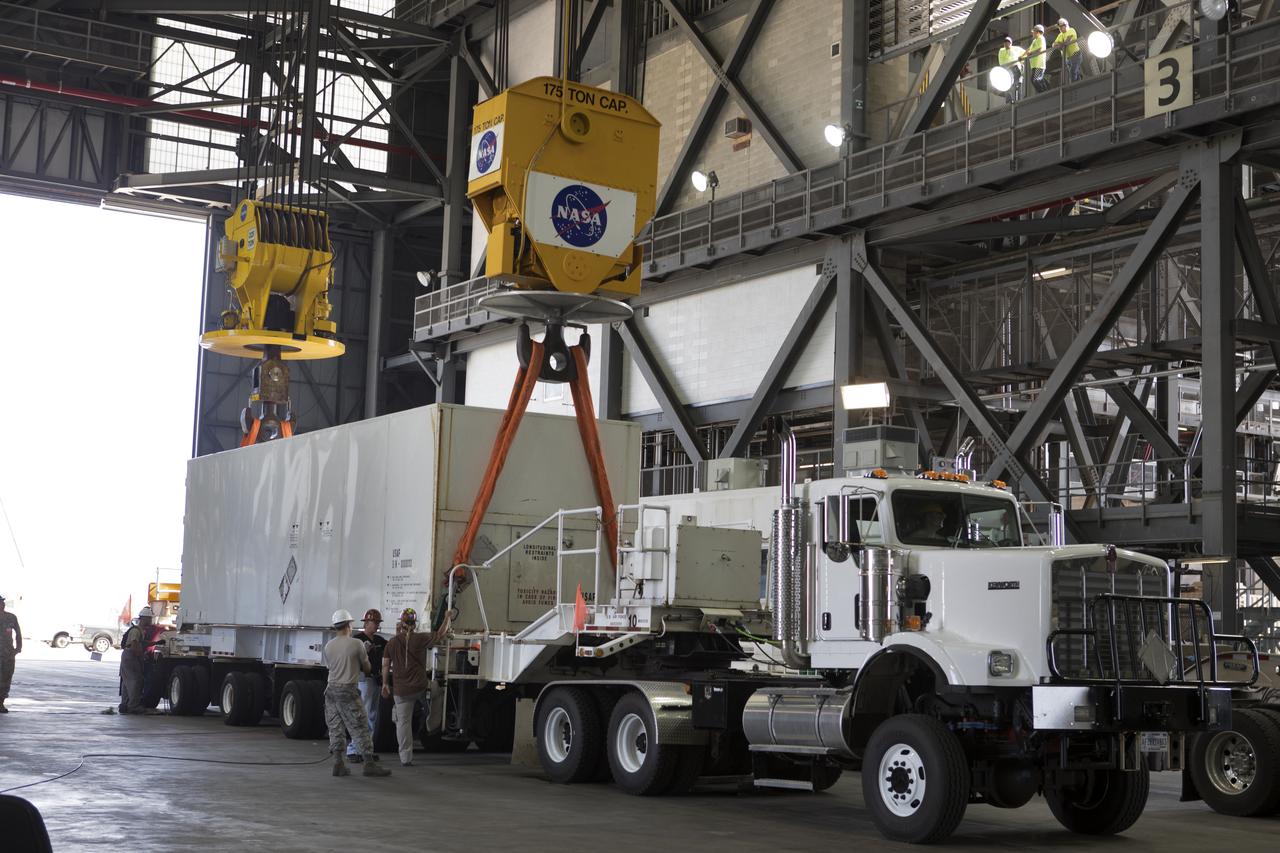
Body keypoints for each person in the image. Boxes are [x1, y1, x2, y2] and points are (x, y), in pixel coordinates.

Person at [324, 608, 391, 778]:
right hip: (348, 689)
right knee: (360, 724)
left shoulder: (328, 646)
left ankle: (338, 763)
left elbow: (329, 667)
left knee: (336, 727)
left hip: (331, 690)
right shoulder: (356, 644)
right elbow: (367, 668)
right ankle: (369, 763)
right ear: (348, 624)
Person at [381, 607, 449, 766]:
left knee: (403, 723)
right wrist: (447, 617)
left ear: (400, 623)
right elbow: (440, 634)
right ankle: (432, 722)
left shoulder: (391, 643)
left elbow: (385, 665)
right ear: (415, 623)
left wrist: (385, 684)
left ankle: (406, 758)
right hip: (421, 687)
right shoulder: (420, 638)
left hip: (401, 691)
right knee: (438, 691)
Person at [346, 609, 386, 764]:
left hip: (375, 680)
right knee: (363, 715)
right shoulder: (358, 640)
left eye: (377, 623)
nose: (376, 625)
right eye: (374, 622)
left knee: (372, 716)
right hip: (363, 680)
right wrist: (364, 650)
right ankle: (353, 750)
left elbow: (391, 649)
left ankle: (366, 750)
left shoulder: (380, 641)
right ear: (366, 623)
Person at [119, 607, 160, 715]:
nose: (151, 621)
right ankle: (133, 706)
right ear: (144, 618)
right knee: (135, 681)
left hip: (129, 656)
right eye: (149, 619)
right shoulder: (135, 630)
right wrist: (142, 656)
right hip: (130, 656)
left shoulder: (139, 630)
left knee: (127, 681)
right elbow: (135, 644)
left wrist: (156, 643)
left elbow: (142, 643)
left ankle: (125, 704)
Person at [0, 595, 22, 713]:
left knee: (6, 679)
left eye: (2, 602)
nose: (2, 604)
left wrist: (18, 648)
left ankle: (1, 703)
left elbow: (18, 633)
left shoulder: (11, 617)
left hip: (8, 655)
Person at [997, 35, 1025, 103]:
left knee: (1016, 85)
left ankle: (1018, 101)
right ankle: (1009, 102)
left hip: (1015, 68)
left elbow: (1025, 53)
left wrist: (1021, 61)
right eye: (1005, 42)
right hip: (1006, 70)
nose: (1006, 43)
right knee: (1007, 87)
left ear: (1011, 43)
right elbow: (1001, 62)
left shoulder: (1016, 49)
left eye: (1008, 42)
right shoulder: (1001, 50)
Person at [1054, 18, 1082, 83]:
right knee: (1075, 72)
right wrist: (1061, 44)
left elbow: (1067, 42)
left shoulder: (1071, 30)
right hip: (1068, 58)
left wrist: (1060, 44)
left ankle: (1074, 86)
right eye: (1059, 27)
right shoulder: (1060, 35)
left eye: (1061, 27)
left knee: (1073, 72)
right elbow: (1054, 44)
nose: (1060, 29)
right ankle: (1079, 84)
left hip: (1075, 55)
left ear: (1065, 25)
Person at [1027, 24, 1049, 93]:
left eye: (1034, 31)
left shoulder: (1041, 38)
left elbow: (1040, 49)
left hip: (1039, 64)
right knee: (1036, 79)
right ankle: (1044, 91)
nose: (1032, 33)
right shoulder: (1034, 41)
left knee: (1034, 79)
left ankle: (1044, 92)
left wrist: (1031, 53)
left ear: (1038, 32)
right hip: (1034, 65)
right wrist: (1022, 56)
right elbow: (1028, 50)